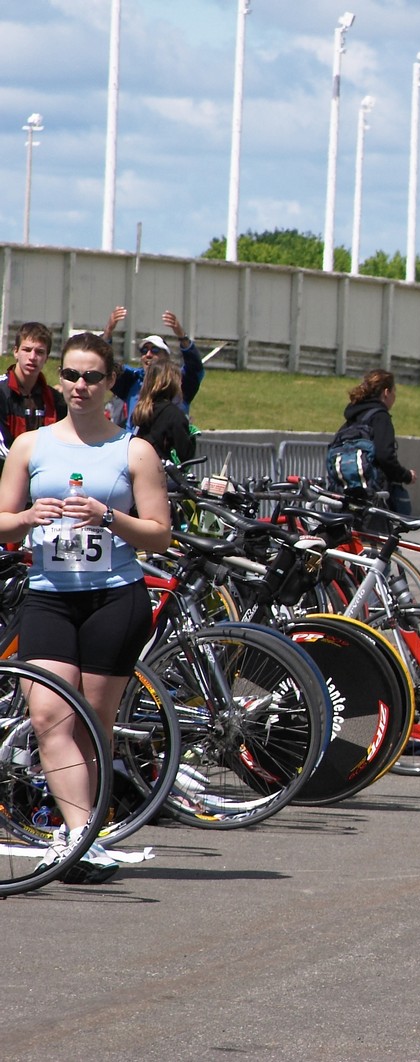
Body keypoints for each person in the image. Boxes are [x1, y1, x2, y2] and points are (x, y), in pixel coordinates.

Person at [0, 331, 172, 882]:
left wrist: (108, 517)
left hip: (113, 597)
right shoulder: (31, 445)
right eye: (71, 375)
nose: (79, 385)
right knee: (50, 716)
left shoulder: (133, 450)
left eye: (91, 376)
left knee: (93, 724)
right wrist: (27, 518)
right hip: (49, 597)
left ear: (110, 382)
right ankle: (78, 836)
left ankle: (88, 834)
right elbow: (2, 522)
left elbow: (160, 534)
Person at [103, 307, 205, 425]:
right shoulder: (132, 380)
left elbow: (195, 367)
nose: (148, 354)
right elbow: (105, 367)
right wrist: (108, 332)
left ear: (167, 357)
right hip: (137, 436)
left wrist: (182, 337)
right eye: (144, 350)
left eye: (155, 350)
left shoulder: (180, 382)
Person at [335, 370, 418, 515]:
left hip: (344, 491)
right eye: (394, 391)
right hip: (373, 492)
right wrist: (406, 475)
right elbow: (385, 456)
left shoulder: (352, 418)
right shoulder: (380, 417)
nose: (395, 396)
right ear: (386, 392)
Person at [0, 322, 66, 469]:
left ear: (47, 357)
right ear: (15, 352)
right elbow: (2, 449)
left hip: (42, 476)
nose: (32, 357)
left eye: (40, 352)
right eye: (27, 350)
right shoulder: (2, 392)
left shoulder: (55, 399)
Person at [130, 360, 197, 465]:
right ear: (172, 383)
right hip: (160, 471)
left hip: (137, 467)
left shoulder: (139, 411)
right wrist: (191, 432)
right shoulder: (174, 415)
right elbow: (185, 455)